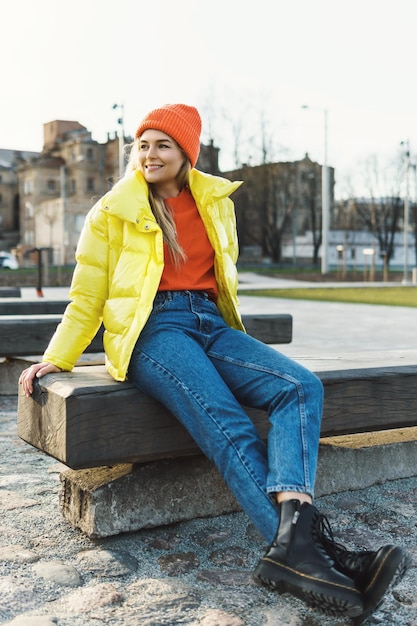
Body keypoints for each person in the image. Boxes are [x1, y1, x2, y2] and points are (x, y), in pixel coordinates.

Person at [19, 103, 409, 622]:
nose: (149, 154)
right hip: (152, 331)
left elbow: (222, 283)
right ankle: (319, 555)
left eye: (162, 145)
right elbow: (87, 297)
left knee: (299, 388)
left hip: (210, 323)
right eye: (143, 145)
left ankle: (302, 549)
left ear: (185, 153)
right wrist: (55, 358)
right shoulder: (112, 210)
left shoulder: (213, 202)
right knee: (225, 421)